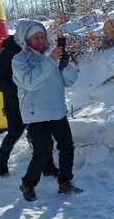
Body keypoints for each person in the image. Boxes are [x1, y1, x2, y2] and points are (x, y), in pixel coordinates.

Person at [12, 19, 83, 201]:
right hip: (36, 114)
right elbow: (30, 81)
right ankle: (28, 184)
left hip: (57, 110)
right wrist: (52, 61)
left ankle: (65, 182)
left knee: (67, 147)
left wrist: (65, 66)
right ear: (26, 41)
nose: (41, 40)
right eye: (35, 37)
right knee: (42, 152)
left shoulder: (51, 57)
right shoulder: (19, 60)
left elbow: (69, 81)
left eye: (42, 36)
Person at [0, 30, 59, 178]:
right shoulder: (7, 51)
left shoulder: (36, 47)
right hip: (14, 100)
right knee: (15, 132)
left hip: (36, 99)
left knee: (43, 132)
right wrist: (19, 90)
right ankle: (1, 159)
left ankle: (48, 166)